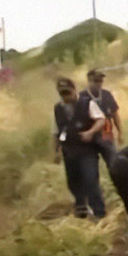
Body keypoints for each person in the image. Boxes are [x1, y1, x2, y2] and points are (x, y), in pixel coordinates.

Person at [52, 77, 107, 219]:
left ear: (74, 90)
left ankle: (99, 212)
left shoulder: (87, 103)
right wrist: (56, 151)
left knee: (90, 179)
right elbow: (56, 131)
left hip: (87, 149)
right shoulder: (58, 108)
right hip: (69, 151)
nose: (66, 96)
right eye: (62, 94)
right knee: (73, 181)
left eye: (67, 93)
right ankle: (81, 207)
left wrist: (90, 132)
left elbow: (101, 120)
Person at [80, 69, 122, 167]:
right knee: (89, 165)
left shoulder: (107, 95)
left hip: (106, 134)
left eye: (101, 81)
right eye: (96, 81)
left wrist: (120, 132)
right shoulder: (81, 96)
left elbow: (115, 114)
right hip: (89, 135)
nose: (99, 83)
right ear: (89, 80)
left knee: (114, 163)